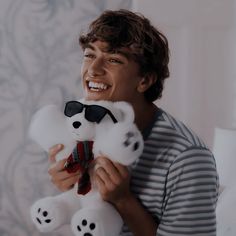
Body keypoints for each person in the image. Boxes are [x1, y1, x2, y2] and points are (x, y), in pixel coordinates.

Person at [48, 9, 219, 236]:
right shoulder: (83, 130)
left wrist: (123, 200)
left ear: (145, 80)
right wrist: (70, 186)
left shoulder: (187, 158)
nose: (93, 70)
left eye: (113, 59)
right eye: (90, 55)